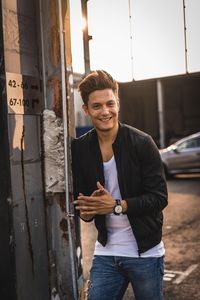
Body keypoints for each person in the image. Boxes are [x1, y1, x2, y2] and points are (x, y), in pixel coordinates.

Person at [72, 70, 168, 300]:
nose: (105, 112)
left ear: (118, 103)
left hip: (145, 253)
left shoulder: (142, 143)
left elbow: (159, 198)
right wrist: (88, 209)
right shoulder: (80, 149)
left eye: (110, 104)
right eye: (96, 106)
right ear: (86, 109)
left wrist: (116, 205)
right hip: (106, 251)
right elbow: (82, 203)